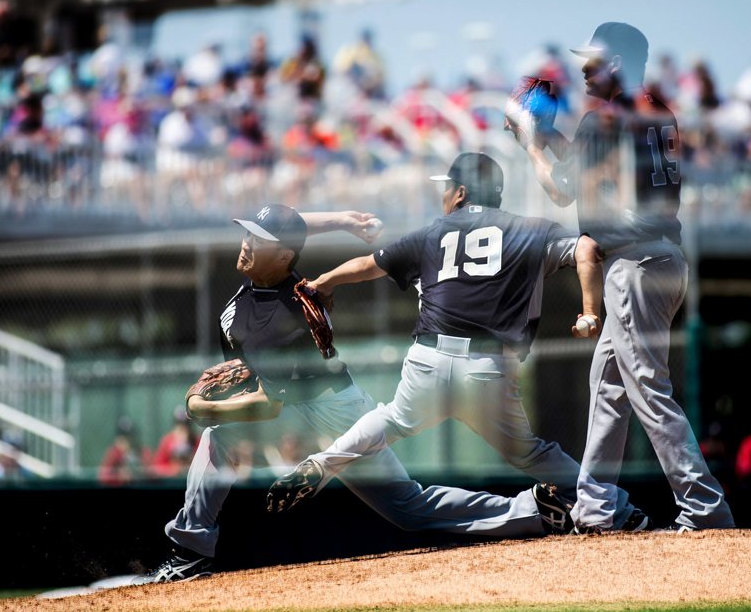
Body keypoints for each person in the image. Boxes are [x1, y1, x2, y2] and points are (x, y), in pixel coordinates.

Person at [137, 205, 573, 585]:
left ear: (285, 256)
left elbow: (268, 406)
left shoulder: (289, 316)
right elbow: (293, 223)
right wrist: (342, 220)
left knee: (404, 507)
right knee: (408, 508)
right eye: (248, 232)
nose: (247, 243)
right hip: (307, 406)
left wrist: (202, 407)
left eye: (260, 239)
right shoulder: (247, 297)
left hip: (333, 412)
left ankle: (533, 512)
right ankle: (191, 552)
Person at [267, 152, 648, 533]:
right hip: (487, 369)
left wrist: (322, 282)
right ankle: (616, 511)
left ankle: (325, 461)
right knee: (532, 454)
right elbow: (587, 249)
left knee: (390, 420)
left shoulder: (432, 233)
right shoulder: (531, 229)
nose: (443, 195)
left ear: (462, 192)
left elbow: (368, 265)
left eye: (446, 188)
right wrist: (588, 311)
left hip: (427, 360)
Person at [511, 22, 734, 532]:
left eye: (592, 62)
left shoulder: (602, 119)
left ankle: (704, 506)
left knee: (648, 391)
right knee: (608, 385)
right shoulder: (659, 110)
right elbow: (597, 162)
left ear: (614, 64)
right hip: (661, 259)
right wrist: (554, 138)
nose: (583, 69)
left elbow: (563, 191)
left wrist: (531, 145)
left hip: (634, 267)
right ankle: (595, 505)